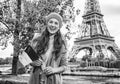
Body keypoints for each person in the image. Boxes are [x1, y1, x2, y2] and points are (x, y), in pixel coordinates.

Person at [28, 12, 67, 84]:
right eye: (51, 22)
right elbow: (27, 59)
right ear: (47, 24)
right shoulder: (36, 39)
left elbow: (64, 66)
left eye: (56, 23)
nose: (53, 25)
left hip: (53, 80)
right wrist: (32, 63)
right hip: (36, 78)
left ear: (59, 27)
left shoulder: (62, 44)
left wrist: (54, 70)